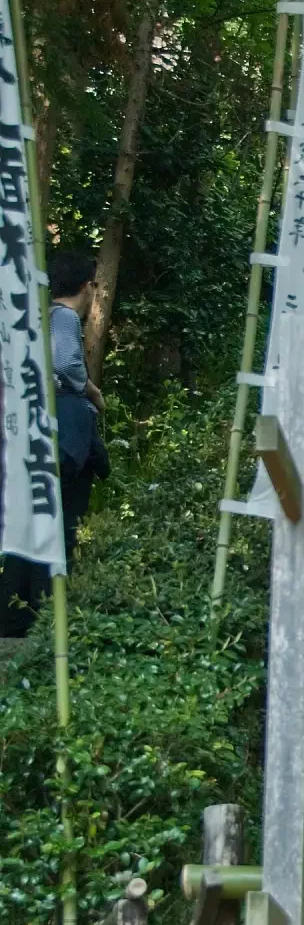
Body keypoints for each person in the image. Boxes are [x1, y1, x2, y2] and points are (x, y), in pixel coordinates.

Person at [0, 248, 110, 637]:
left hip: (32, 437)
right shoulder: (63, 318)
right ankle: (47, 623)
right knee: (61, 526)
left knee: (30, 529)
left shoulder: (38, 317)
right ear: (86, 287)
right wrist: (92, 392)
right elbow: (65, 365)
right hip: (63, 439)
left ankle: (14, 621)